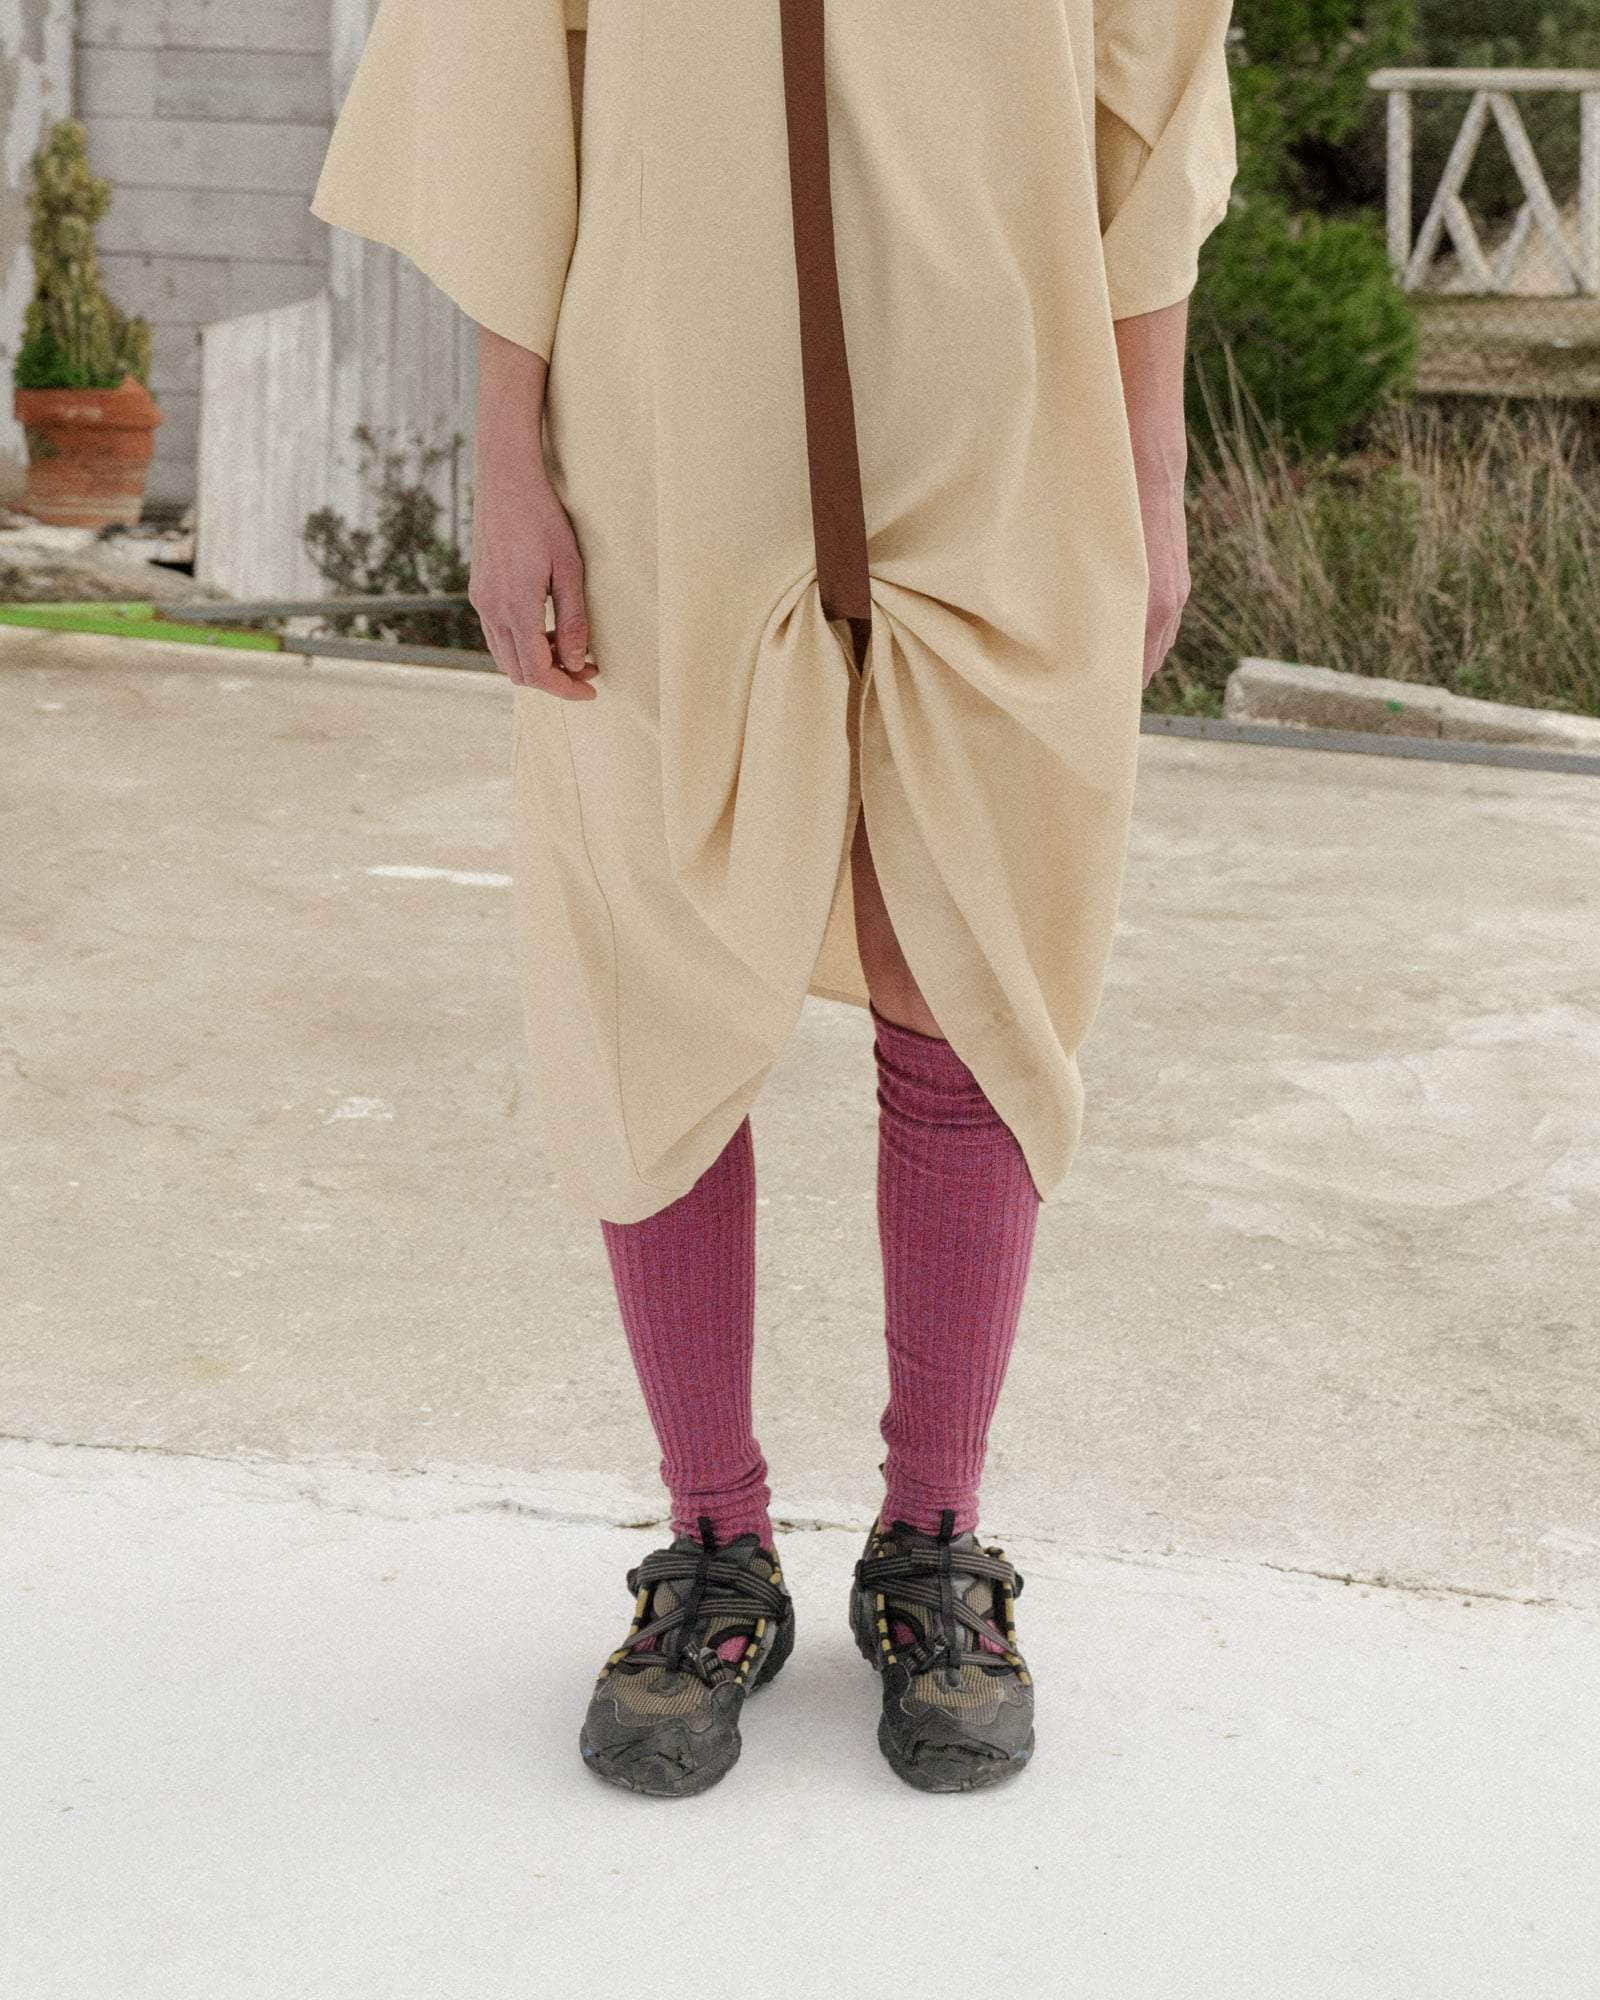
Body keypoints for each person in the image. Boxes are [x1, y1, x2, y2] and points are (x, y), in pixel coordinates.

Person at [311, 0, 1237, 1797]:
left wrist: (1150, 459)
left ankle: (934, 1543)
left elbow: (1155, 89)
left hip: (1004, 416)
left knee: (969, 953)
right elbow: (508, 75)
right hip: (668, 430)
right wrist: (508, 461)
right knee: (652, 965)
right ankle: (713, 1548)